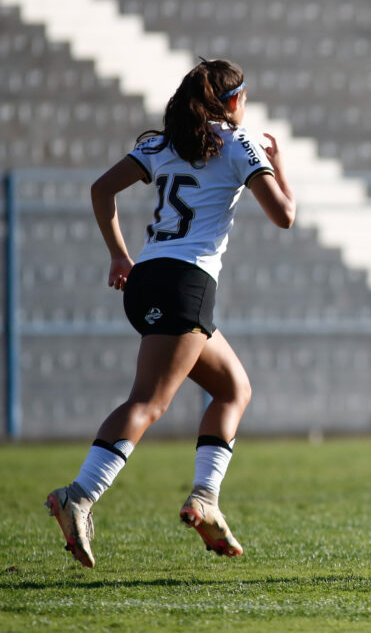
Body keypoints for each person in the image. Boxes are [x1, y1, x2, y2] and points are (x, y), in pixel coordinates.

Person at [45, 59, 296, 568]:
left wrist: (119, 254)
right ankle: (80, 494)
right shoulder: (237, 143)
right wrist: (279, 164)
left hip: (148, 279)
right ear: (232, 101)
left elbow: (101, 189)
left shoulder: (162, 143)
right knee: (149, 402)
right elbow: (285, 215)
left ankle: (205, 499)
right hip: (187, 283)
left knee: (233, 388)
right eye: (244, 98)